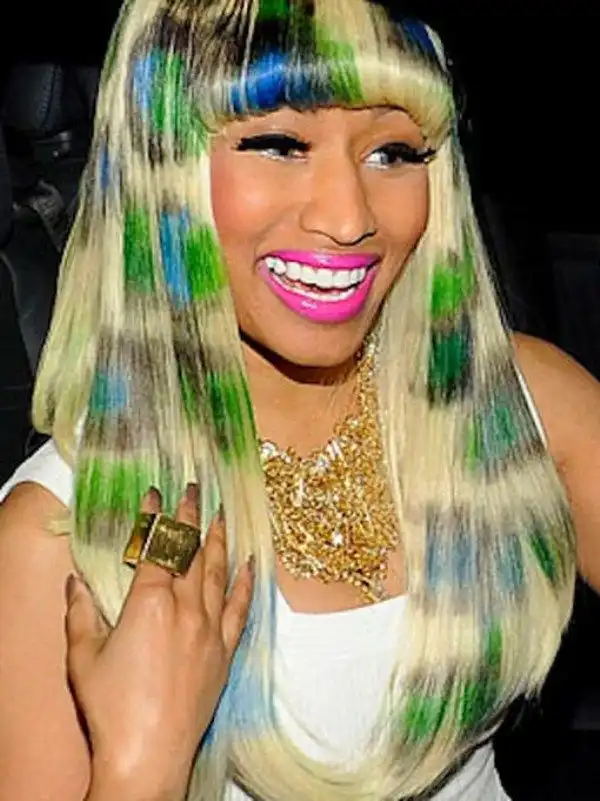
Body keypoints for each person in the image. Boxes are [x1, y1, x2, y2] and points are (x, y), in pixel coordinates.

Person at [1, 1, 600, 799]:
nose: (349, 218)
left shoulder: (519, 406)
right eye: (280, 145)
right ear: (161, 168)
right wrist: (140, 765)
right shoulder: (61, 538)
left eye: (393, 152)